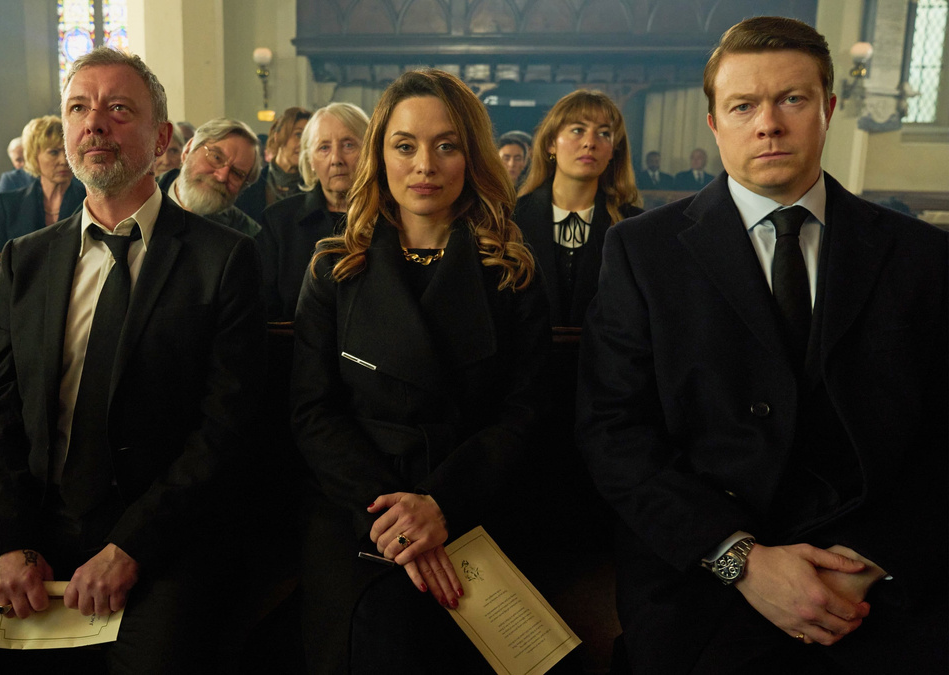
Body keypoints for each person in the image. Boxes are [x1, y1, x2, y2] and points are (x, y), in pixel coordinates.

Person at [0, 46, 266, 673]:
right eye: (79, 108)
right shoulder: (27, 258)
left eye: (118, 109)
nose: (94, 123)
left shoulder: (223, 259)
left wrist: (132, 547)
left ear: (162, 139)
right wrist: (2, 541)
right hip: (33, 529)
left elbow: (226, 429)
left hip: (158, 538)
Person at [577, 16, 947, 674]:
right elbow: (613, 431)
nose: (768, 124)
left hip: (875, 584)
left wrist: (871, 559)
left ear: (828, 109)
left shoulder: (921, 255)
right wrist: (739, 558)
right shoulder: (640, 251)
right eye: (743, 105)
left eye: (792, 99)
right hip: (702, 582)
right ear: (715, 123)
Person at [291, 68, 553, 675]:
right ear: (380, 156)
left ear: (472, 156)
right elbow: (313, 412)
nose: (424, 166)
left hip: (475, 499)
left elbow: (527, 410)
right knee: (382, 640)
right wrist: (398, 522)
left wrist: (440, 504)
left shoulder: (511, 270)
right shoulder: (335, 268)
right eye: (405, 146)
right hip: (361, 508)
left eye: (446, 146)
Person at [513, 89, 641, 327]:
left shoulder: (634, 227)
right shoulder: (510, 219)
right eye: (578, 130)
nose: (590, 143)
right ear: (551, 143)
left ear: (613, 151)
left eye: (604, 133)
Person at [257, 102, 368, 321]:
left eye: (348, 145)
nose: (336, 159)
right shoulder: (278, 221)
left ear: (369, 151)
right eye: (324, 148)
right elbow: (267, 307)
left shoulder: (392, 218)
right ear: (310, 160)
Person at [0, 115, 86, 252]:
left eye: (68, 151)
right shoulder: (9, 204)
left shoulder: (88, 200)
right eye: (54, 152)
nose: (64, 161)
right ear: (34, 156)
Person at [158, 117, 263, 237]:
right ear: (188, 150)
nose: (222, 177)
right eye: (216, 157)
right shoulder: (142, 197)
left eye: (237, 173)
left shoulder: (247, 235)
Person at [235, 106, 311, 222]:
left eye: (309, 138)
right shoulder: (250, 184)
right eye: (298, 135)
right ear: (277, 136)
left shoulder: (313, 189)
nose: (304, 143)